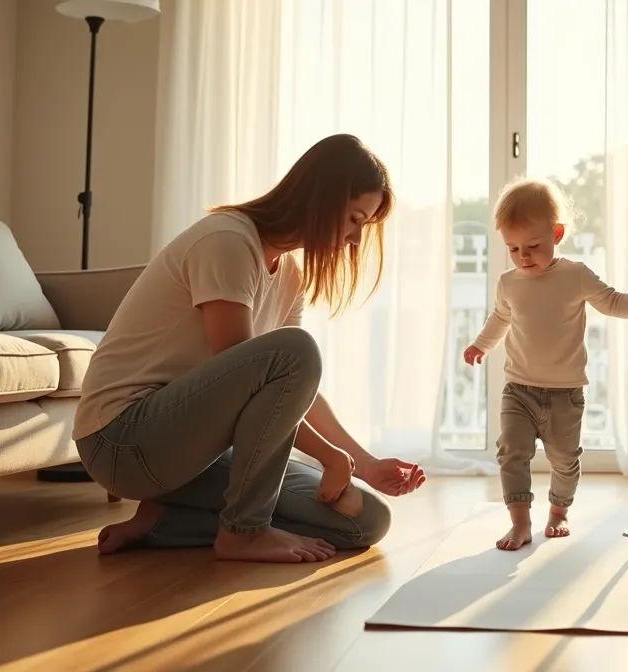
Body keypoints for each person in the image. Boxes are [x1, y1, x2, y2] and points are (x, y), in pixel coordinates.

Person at [72, 134, 426, 564]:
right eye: (353, 219)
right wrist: (328, 456)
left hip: (193, 454)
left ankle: (163, 521)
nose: (354, 239)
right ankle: (243, 532)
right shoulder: (227, 241)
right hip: (123, 441)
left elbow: (293, 390)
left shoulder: (290, 273)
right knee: (297, 349)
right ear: (321, 199)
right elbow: (256, 375)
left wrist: (362, 463)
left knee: (365, 520)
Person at [464, 177, 628, 551]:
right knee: (511, 451)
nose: (523, 256)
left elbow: (611, 301)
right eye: (512, 248)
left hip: (565, 394)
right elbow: (500, 318)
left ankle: (559, 512)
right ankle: (520, 522)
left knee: (565, 459)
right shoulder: (508, 283)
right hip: (519, 390)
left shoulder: (574, 275)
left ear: (557, 234)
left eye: (533, 245)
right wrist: (481, 344)